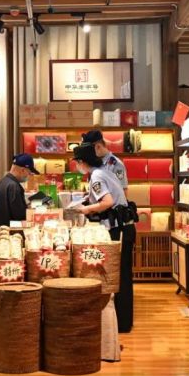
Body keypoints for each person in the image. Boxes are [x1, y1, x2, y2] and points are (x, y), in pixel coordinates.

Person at [73, 142, 136, 333]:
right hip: (125, 227)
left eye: (77, 162)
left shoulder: (96, 176)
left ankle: (122, 324)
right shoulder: (104, 171)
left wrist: (85, 209)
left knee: (118, 277)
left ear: (82, 161)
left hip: (118, 230)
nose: (77, 166)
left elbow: (107, 202)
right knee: (123, 276)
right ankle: (123, 322)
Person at [0, 153, 39, 227]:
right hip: (10, 231)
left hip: (0, 229)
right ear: (23, 170)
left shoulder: (3, 181)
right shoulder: (14, 186)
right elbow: (19, 215)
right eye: (29, 173)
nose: (29, 176)